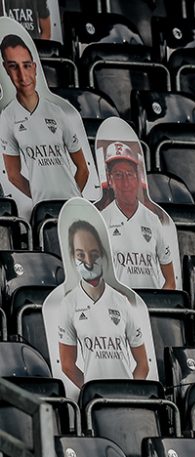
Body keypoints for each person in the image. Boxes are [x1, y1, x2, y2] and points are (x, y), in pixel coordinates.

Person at [57, 219, 149, 389]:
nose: (88, 262)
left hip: (128, 401)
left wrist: (131, 392)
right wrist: (92, 392)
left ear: (103, 254)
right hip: (97, 405)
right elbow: (67, 365)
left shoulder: (122, 301)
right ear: (72, 257)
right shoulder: (69, 303)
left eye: (94, 254)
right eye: (80, 255)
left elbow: (143, 364)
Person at [0, 33, 89, 205]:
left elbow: (83, 168)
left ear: (34, 68)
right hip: (44, 213)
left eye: (26, 66)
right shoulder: (7, 117)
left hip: (73, 207)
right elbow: (13, 175)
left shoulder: (58, 112)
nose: (22, 75)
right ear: (6, 69)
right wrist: (41, 198)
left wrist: (72, 200)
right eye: (13, 66)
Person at [99, 142, 176, 290]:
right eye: (118, 175)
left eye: (129, 174)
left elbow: (170, 281)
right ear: (110, 180)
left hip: (150, 309)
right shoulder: (101, 219)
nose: (125, 181)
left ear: (138, 178)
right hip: (117, 309)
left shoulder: (153, 220)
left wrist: (156, 308)